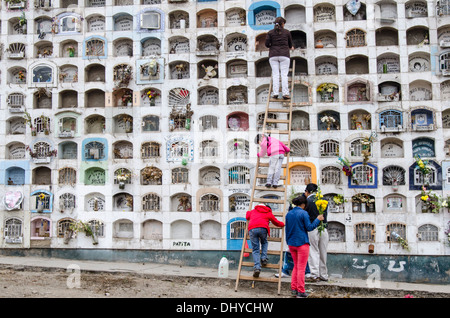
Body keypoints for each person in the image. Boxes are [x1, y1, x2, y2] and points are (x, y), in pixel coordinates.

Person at [285, 195, 324, 298]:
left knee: (296, 267)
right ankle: (301, 291)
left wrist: (288, 241)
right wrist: (318, 219)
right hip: (302, 243)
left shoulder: (289, 214)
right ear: (303, 205)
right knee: (301, 268)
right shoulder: (304, 213)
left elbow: (287, 229)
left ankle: (294, 289)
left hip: (291, 243)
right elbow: (309, 227)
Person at [246, 204, 285, 278]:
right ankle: (263, 258)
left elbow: (247, 216)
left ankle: (257, 267)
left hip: (252, 229)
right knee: (264, 242)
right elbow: (275, 222)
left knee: (255, 249)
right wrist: (282, 224)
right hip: (263, 228)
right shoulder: (268, 212)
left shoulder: (253, 211)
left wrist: (248, 211)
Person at [303, 183, 329, 282]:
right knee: (323, 251)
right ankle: (324, 274)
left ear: (307, 192)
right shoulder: (324, 200)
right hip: (324, 228)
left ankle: (314, 274)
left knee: (313, 251)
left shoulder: (307, 201)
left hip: (313, 228)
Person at [265, 16, 294, 100]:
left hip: (273, 55)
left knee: (275, 74)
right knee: (284, 75)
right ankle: (285, 94)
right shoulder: (287, 32)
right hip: (284, 55)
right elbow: (290, 45)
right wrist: (290, 47)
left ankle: (275, 93)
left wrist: (273, 46)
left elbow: (267, 45)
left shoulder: (270, 33)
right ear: (283, 24)